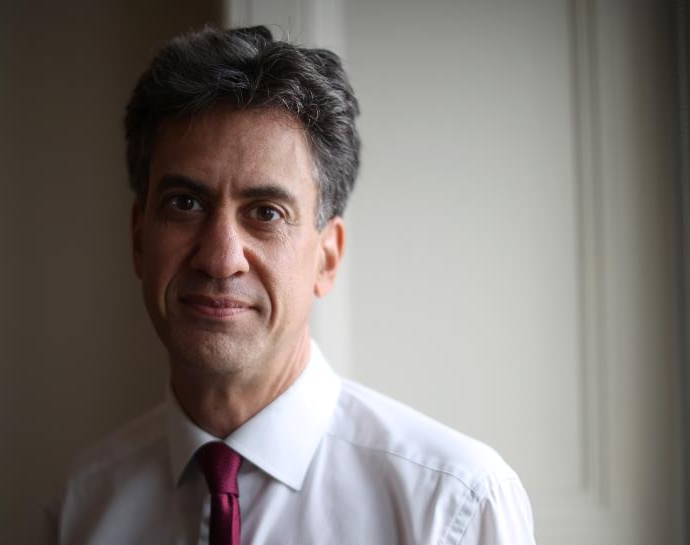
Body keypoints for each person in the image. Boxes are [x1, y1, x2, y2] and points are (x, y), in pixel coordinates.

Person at [53, 25, 536, 545]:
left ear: (327, 257)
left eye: (266, 212)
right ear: (138, 238)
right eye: (185, 203)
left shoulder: (453, 510)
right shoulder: (85, 503)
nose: (220, 259)